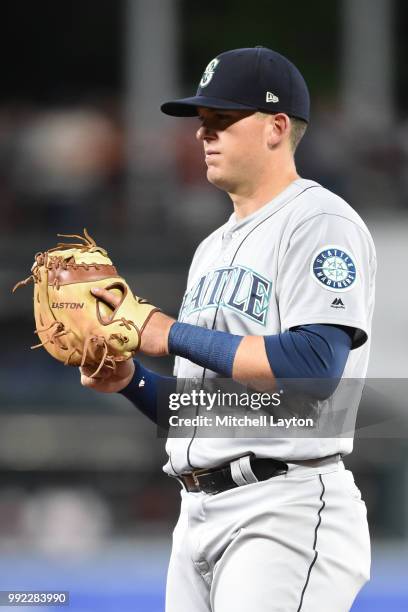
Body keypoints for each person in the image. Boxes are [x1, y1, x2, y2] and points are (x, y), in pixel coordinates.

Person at [81, 47, 376, 612]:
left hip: (283, 509)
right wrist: (130, 380)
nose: (203, 134)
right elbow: (205, 412)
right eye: (203, 122)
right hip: (197, 513)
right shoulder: (211, 249)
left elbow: (315, 368)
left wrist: (166, 332)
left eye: (222, 120)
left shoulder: (319, 220)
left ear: (276, 127)